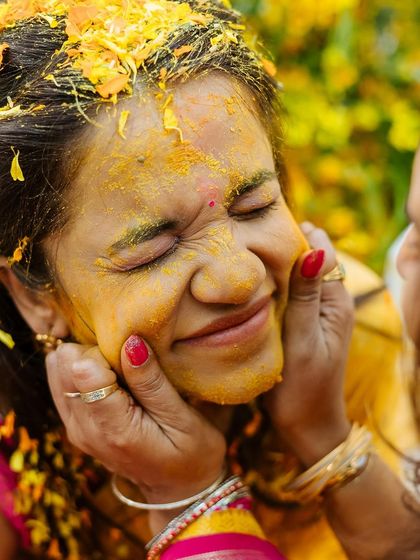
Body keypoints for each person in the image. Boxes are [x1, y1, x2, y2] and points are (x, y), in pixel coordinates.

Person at [0, 0, 417, 558]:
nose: (241, 279)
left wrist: (325, 435)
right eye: (155, 250)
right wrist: (186, 496)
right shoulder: (15, 481)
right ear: (33, 294)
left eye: (255, 205)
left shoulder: (349, 329)